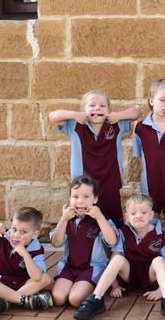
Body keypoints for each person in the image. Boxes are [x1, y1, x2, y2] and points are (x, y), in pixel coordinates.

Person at [74, 194, 165, 320]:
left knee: (160, 260)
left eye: (143, 212)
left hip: (150, 277)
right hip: (128, 275)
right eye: (133, 213)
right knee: (118, 259)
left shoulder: (160, 236)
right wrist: (114, 285)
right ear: (127, 217)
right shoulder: (123, 232)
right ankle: (96, 299)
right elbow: (114, 257)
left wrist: (159, 290)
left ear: (151, 215)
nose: (138, 216)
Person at [48, 89, 140, 227]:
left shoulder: (116, 125)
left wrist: (118, 116)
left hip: (110, 181)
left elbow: (136, 112)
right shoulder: (75, 125)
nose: (97, 108)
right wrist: (75, 115)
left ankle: (114, 248)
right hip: (83, 185)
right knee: (85, 225)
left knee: (112, 223)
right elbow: (52, 116)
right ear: (84, 109)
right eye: (92, 105)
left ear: (108, 110)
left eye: (102, 106)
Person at [50, 175, 118, 307]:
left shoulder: (101, 219)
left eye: (86, 197)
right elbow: (56, 243)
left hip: (91, 268)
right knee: (58, 299)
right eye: (75, 196)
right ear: (70, 199)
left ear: (95, 199)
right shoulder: (68, 219)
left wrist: (100, 218)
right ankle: (76, 284)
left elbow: (112, 241)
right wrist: (63, 219)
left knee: (75, 299)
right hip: (69, 267)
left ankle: (96, 289)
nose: (80, 201)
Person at [133, 79, 165, 245]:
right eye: (162, 100)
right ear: (151, 100)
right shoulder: (141, 128)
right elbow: (140, 156)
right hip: (150, 186)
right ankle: (151, 256)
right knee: (151, 222)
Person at [0, 207, 53, 317]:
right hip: (1, 282)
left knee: (46, 278)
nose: (16, 235)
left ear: (35, 234)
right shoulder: (1, 237)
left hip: (23, 284)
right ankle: (24, 300)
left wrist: (25, 254)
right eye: (14, 229)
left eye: (23, 232)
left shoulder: (36, 248)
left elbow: (37, 277)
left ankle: (6, 301)